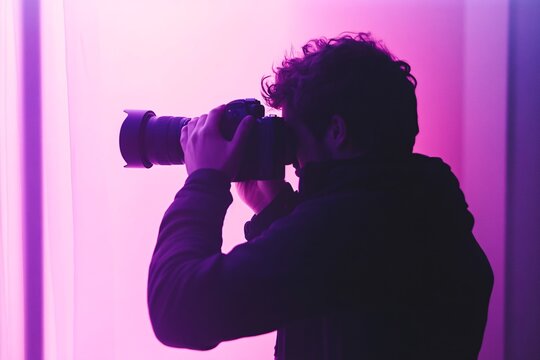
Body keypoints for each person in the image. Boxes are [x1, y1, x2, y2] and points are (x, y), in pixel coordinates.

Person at [147, 33, 493, 359]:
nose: (294, 158)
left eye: (293, 136)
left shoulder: (354, 225)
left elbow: (177, 308)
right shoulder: (416, 207)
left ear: (337, 132)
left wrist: (205, 181)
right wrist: (274, 209)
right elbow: (339, 306)